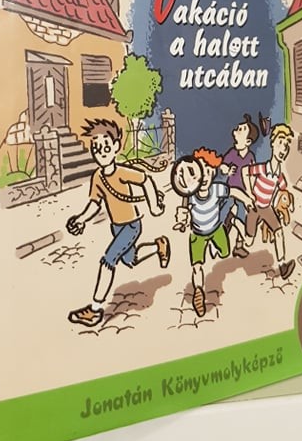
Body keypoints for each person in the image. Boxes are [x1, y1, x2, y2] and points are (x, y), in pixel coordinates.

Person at [66, 118, 169, 328]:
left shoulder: (122, 172)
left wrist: (154, 207)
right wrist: (80, 219)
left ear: (115, 147)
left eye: (106, 147)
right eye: (96, 149)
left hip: (132, 225)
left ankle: (95, 309)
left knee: (108, 260)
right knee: (131, 260)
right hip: (116, 226)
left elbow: (146, 179)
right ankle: (159, 246)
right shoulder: (97, 177)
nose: (101, 152)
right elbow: (94, 203)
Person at [171, 147, 252, 318]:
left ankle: (221, 236)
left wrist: (247, 200)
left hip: (216, 230)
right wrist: (182, 220)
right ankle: (199, 292)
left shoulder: (216, 189)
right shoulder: (190, 195)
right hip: (197, 235)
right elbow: (183, 212)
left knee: (224, 252)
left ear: (213, 173)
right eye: (201, 171)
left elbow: (233, 191)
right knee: (197, 266)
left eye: (208, 171)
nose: (205, 176)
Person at [242, 123, 296, 280]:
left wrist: (284, 206)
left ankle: (282, 265)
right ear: (273, 144)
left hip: (267, 208)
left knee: (278, 232)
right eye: (280, 143)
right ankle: (240, 242)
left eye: (286, 145)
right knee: (248, 241)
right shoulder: (262, 168)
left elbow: (284, 191)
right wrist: (249, 193)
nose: (283, 148)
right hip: (254, 207)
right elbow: (245, 171)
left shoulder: (279, 177)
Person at [221, 113, 259, 257]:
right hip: (231, 192)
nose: (237, 130)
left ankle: (239, 245)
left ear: (248, 141)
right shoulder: (232, 153)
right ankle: (222, 241)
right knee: (227, 216)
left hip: (244, 193)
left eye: (241, 129)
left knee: (243, 218)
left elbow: (252, 175)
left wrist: (252, 192)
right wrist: (226, 170)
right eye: (238, 128)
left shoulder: (250, 157)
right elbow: (222, 165)